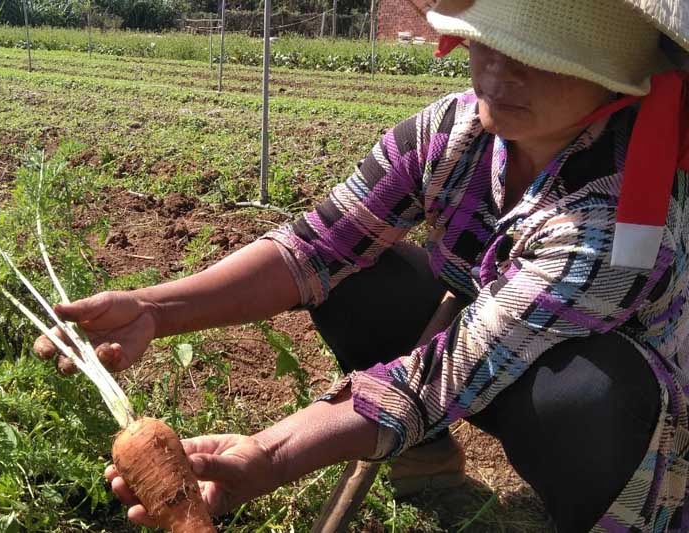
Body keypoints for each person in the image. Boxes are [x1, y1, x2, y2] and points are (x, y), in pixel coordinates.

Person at [34, 0, 689, 530]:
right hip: (479, 352)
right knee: (357, 277)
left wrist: (274, 453)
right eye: (491, 41)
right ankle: (426, 461)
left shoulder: (616, 218)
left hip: (593, 411)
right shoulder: (451, 133)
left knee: (589, 393)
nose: (498, 71)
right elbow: (316, 246)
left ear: (615, 81)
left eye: (539, 59)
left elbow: (447, 373)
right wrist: (153, 307)